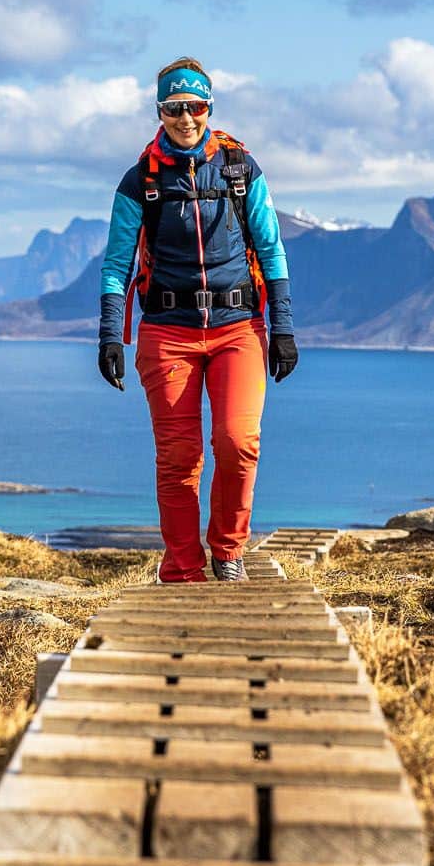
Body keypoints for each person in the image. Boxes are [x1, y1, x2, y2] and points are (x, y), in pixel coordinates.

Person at [98, 57, 299, 582]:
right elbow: (117, 264)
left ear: (210, 106)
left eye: (196, 106)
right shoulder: (139, 180)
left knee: (237, 443)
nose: (186, 118)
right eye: (174, 108)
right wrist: (109, 338)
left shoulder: (239, 169)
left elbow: (272, 250)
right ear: (159, 110)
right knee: (179, 456)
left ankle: (228, 552)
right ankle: (183, 569)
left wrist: (284, 329)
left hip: (239, 329)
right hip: (167, 332)